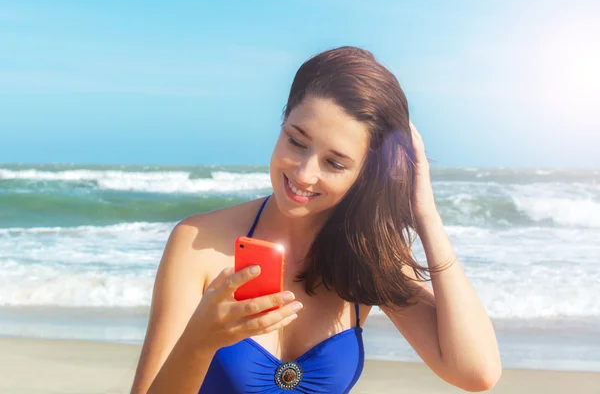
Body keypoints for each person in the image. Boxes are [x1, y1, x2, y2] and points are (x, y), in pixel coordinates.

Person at [130, 46, 502, 394]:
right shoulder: (198, 242)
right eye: (296, 141)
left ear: (366, 174)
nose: (305, 173)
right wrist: (200, 341)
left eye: (335, 163)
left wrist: (426, 215)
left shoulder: (366, 256)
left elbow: (476, 372)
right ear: (283, 119)